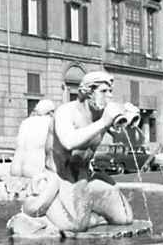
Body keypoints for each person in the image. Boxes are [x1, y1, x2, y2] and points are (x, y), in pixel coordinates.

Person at [14, 70, 137, 233]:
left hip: (84, 179)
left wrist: (130, 123)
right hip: (60, 178)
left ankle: (89, 211)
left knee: (125, 219)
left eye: (110, 91)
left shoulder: (101, 115)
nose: (109, 96)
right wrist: (104, 122)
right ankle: (52, 210)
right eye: (103, 91)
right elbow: (69, 142)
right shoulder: (65, 112)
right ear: (88, 93)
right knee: (75, 226)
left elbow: (127, 142)